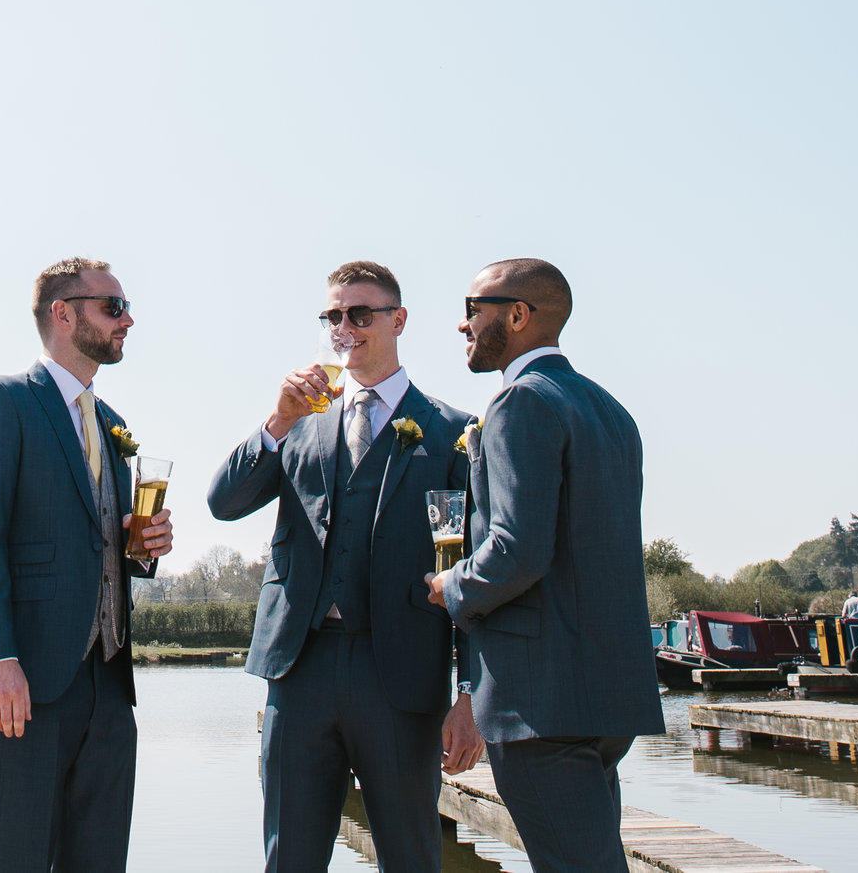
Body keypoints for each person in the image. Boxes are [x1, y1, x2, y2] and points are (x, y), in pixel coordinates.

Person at [208, 261, 475, 873]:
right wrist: (278, 421)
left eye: (360, 314)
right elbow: (224, 503)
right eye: (333, 316)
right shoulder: (299, 421)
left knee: (411, 856)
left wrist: (470, 694)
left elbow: (471, 575)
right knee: (290, 858)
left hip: (402, 673)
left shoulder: (453, 432)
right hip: (299, 668)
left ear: (398, 320)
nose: (344, 327)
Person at [426, 257, 661, 873]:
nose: (462, 324)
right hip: (606, 694)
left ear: (518, 315)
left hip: (540, 704)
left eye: (472, 308)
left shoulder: (518, 404)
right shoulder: (610, 410)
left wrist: (452, 584)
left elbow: (518, 548)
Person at [0, 257, 175, 873]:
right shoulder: (0, 402)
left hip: (107, 682)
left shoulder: (113, 424)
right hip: (22, 681)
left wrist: (138, 544)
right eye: (114, 307)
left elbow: (94, 543)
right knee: (19, 859)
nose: (128, 319)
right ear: (63, 313)